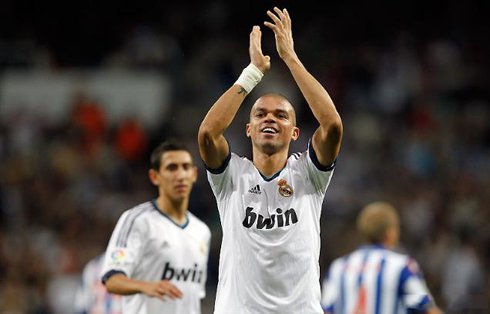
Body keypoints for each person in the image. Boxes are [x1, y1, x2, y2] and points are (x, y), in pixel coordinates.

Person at [198, 7, 343, 313]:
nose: (270, 119)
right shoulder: (231, 177)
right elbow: (208, 135)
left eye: (281, 115)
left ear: (294, 132)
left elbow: (331, 126)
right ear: (249, 129)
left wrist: (289, 57)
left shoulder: (309, 174)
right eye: (261, 114)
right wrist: (251, 74)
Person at [100, 139, 211, 314]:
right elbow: (112, 280)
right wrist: (145, 286)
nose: (180, 175)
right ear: (155, 176)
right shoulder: (138, 220)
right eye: (171, 168)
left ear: (194, 174)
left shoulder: (201, 231)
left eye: (186, 167)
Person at [321, 202, 443, 314]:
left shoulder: (338, 268)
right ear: (391, 233)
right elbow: (426, 308)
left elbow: (327, 309)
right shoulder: (401, 266)